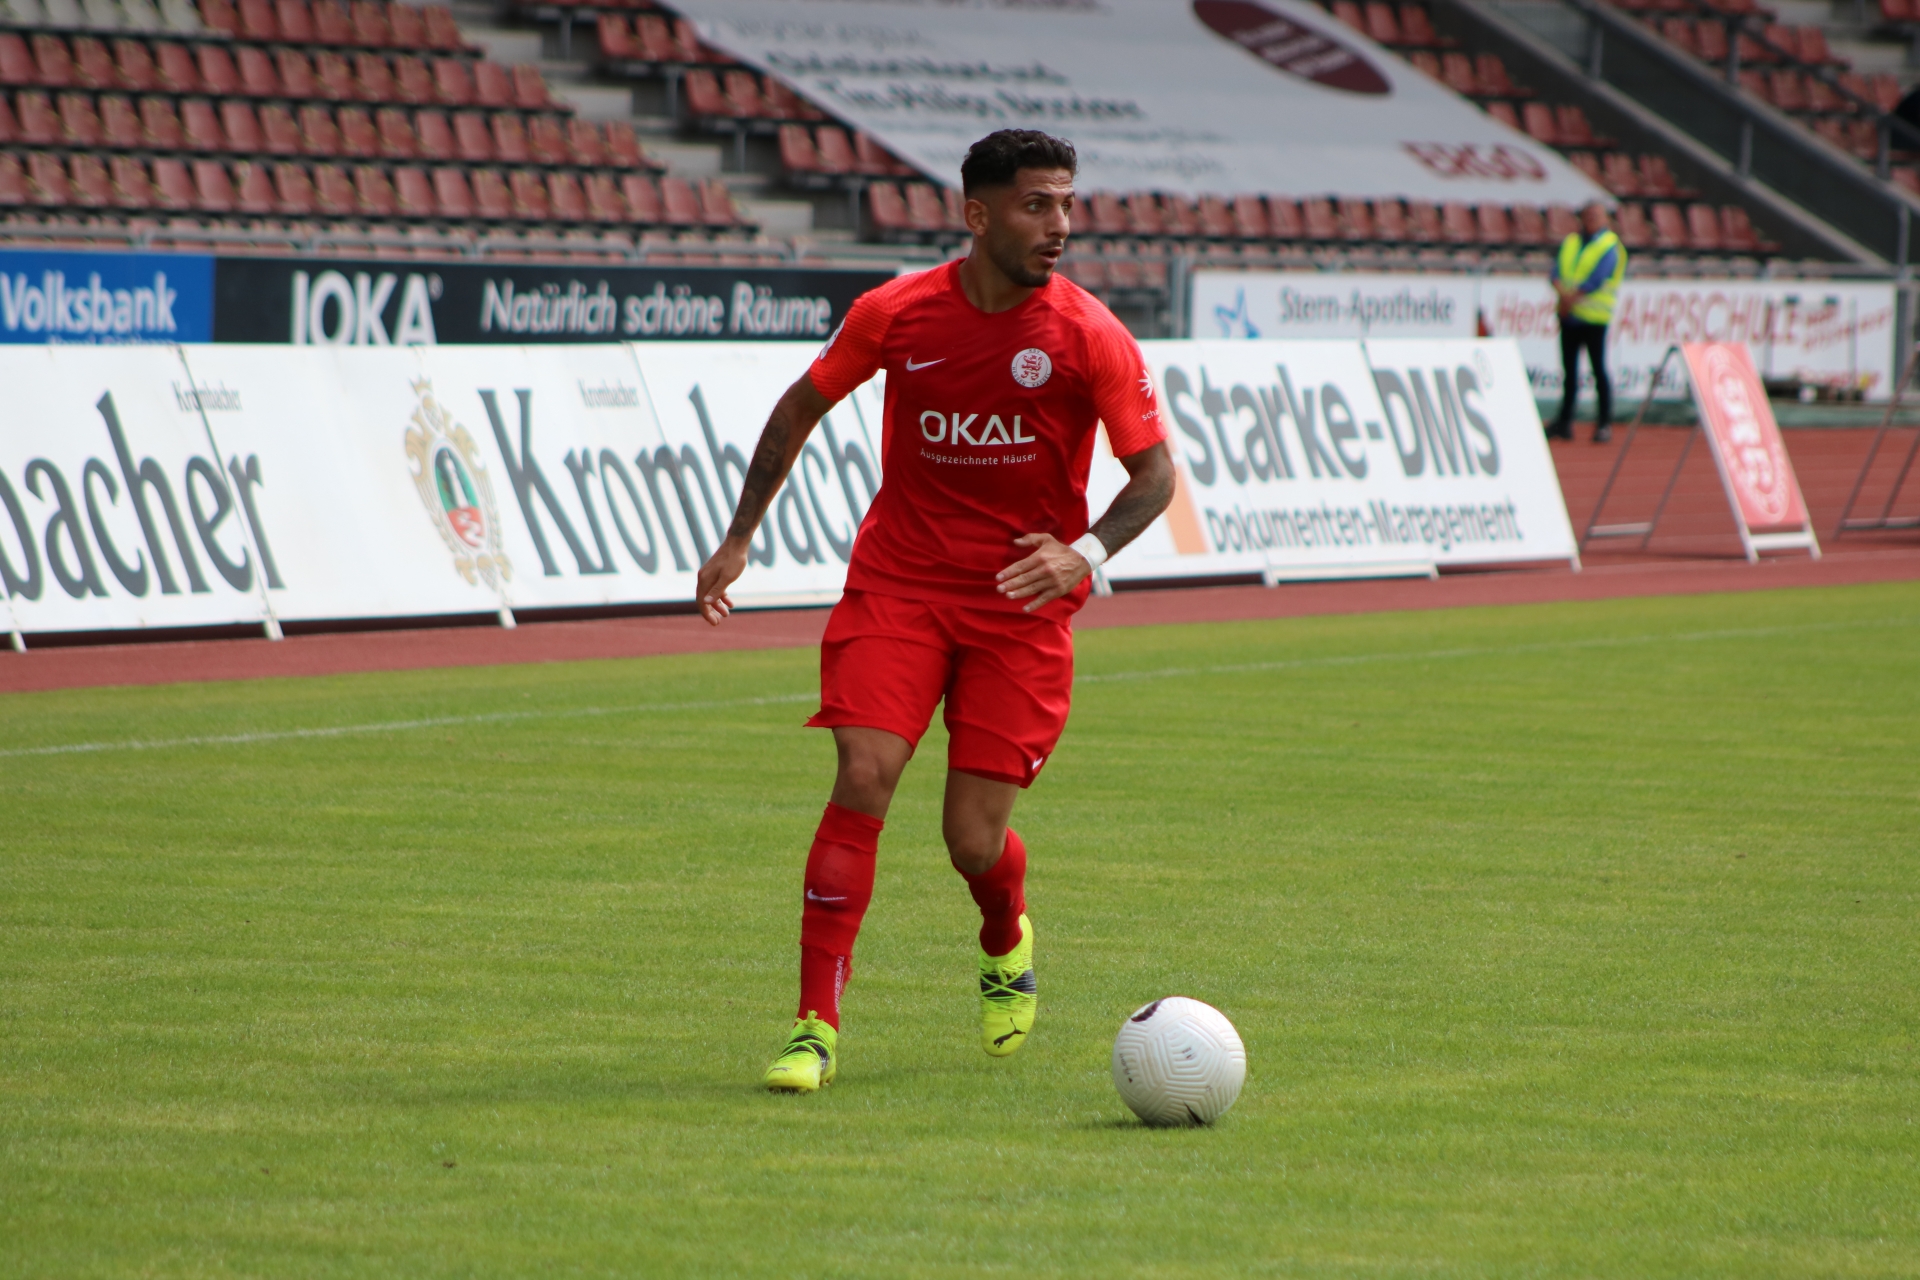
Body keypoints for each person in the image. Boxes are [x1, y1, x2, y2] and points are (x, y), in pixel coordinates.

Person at [693, 128, 1176, 1093]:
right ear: (977, 214)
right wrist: (739, 536)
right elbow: (798, 408)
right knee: (863, 772)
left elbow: (1155, 476)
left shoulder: (1088, 334)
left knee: (971, 841)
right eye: (1037, 205)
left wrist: (1081, 553)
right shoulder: (897, 312)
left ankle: (1005, 935)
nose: (1059, 225)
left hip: (1019, 610)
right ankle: (813, 1029)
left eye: (1067, 204)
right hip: (900, 588)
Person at [1548, 200, 1627, 444]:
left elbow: (1598, 279)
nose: (1591, 219)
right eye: (1588, 215)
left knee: (1598, 371)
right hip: (1570, 317)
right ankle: (1565, 422)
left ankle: (1604, 423)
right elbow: (1556, 272)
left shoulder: (1609, 246)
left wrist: (1569, 299)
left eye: (1596, 215)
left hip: (1594, 318)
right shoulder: (1571, 242)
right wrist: (1563, 295)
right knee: (1569, 372)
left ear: (1605, 219)